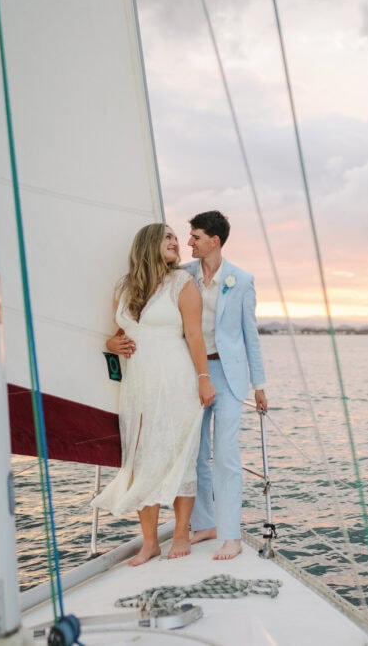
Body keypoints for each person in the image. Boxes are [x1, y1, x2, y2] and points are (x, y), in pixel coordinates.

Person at [94, 223, 215, 566]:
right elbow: (116, 334)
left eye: (178, 238)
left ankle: (179, 534)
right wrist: (111, 343)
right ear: (148, 243)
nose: (177, 243)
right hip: (139, 384)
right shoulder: (124, 287)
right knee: (142, 457)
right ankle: (150, 542)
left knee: (180, 455)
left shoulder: (182, 283)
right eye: (168, 237)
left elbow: (194, 335)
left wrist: (204, 378)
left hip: (177, 378)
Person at [183, 210, 268, 561]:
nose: (189, 241)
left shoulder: (242, 280)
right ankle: (205, 522)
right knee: (197, 454)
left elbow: (251, 336)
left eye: (196, 236)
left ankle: (231, 534)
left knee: (226, 455)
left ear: (214, 241)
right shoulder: (182, 276)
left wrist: (259, 384)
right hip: (193, 373)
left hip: (230, 376)